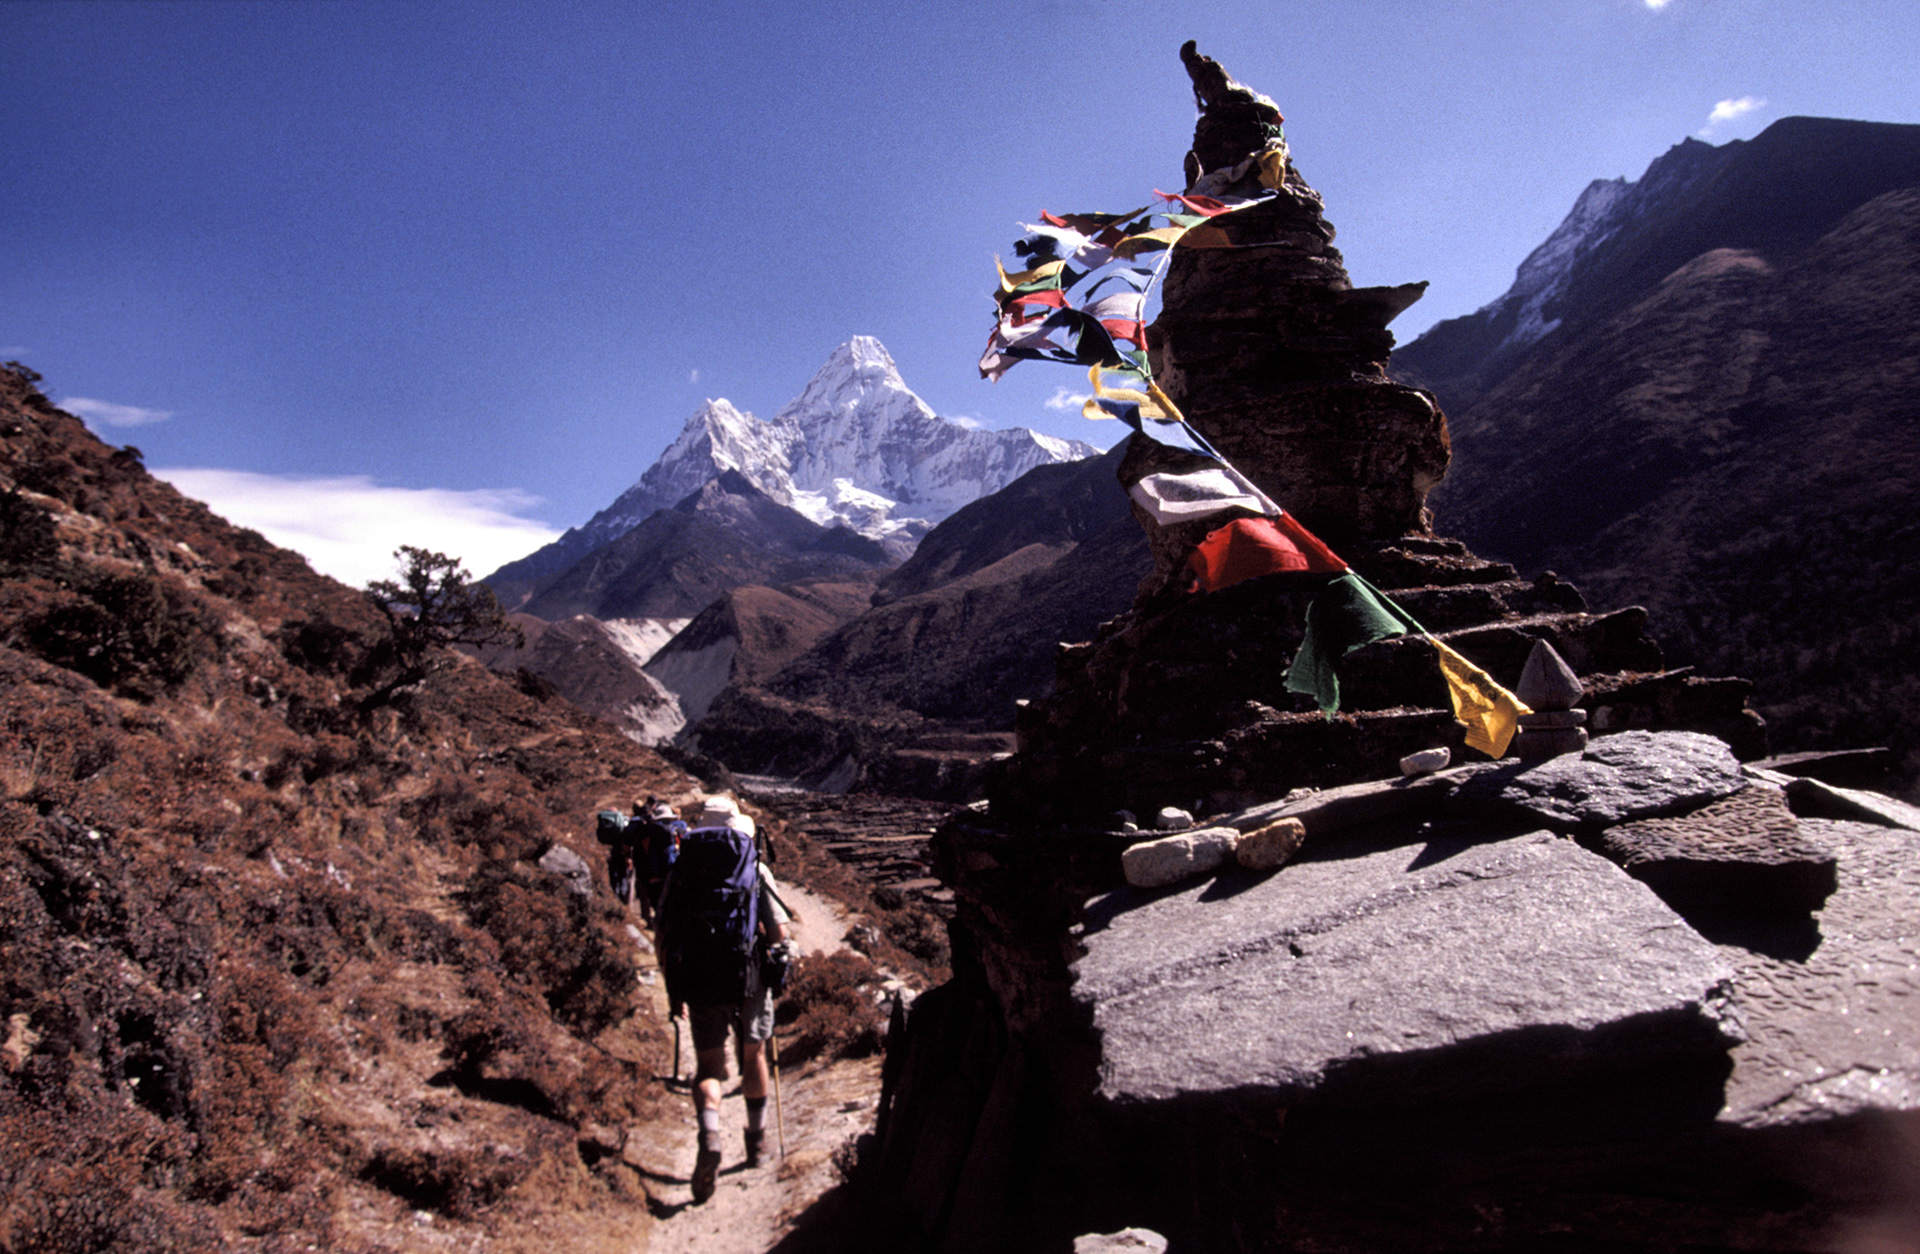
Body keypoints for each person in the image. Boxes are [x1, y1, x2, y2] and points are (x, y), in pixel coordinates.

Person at [656, 794, 798, 1203]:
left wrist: (673, 989)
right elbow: (778, 935)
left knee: (709, 1068)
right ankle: (757, 1145)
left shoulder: (680, 869)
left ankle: (711, 1132)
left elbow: (663, 937)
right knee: (753, 1055)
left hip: (700, 979)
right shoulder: (753, 867)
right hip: (748, 978)